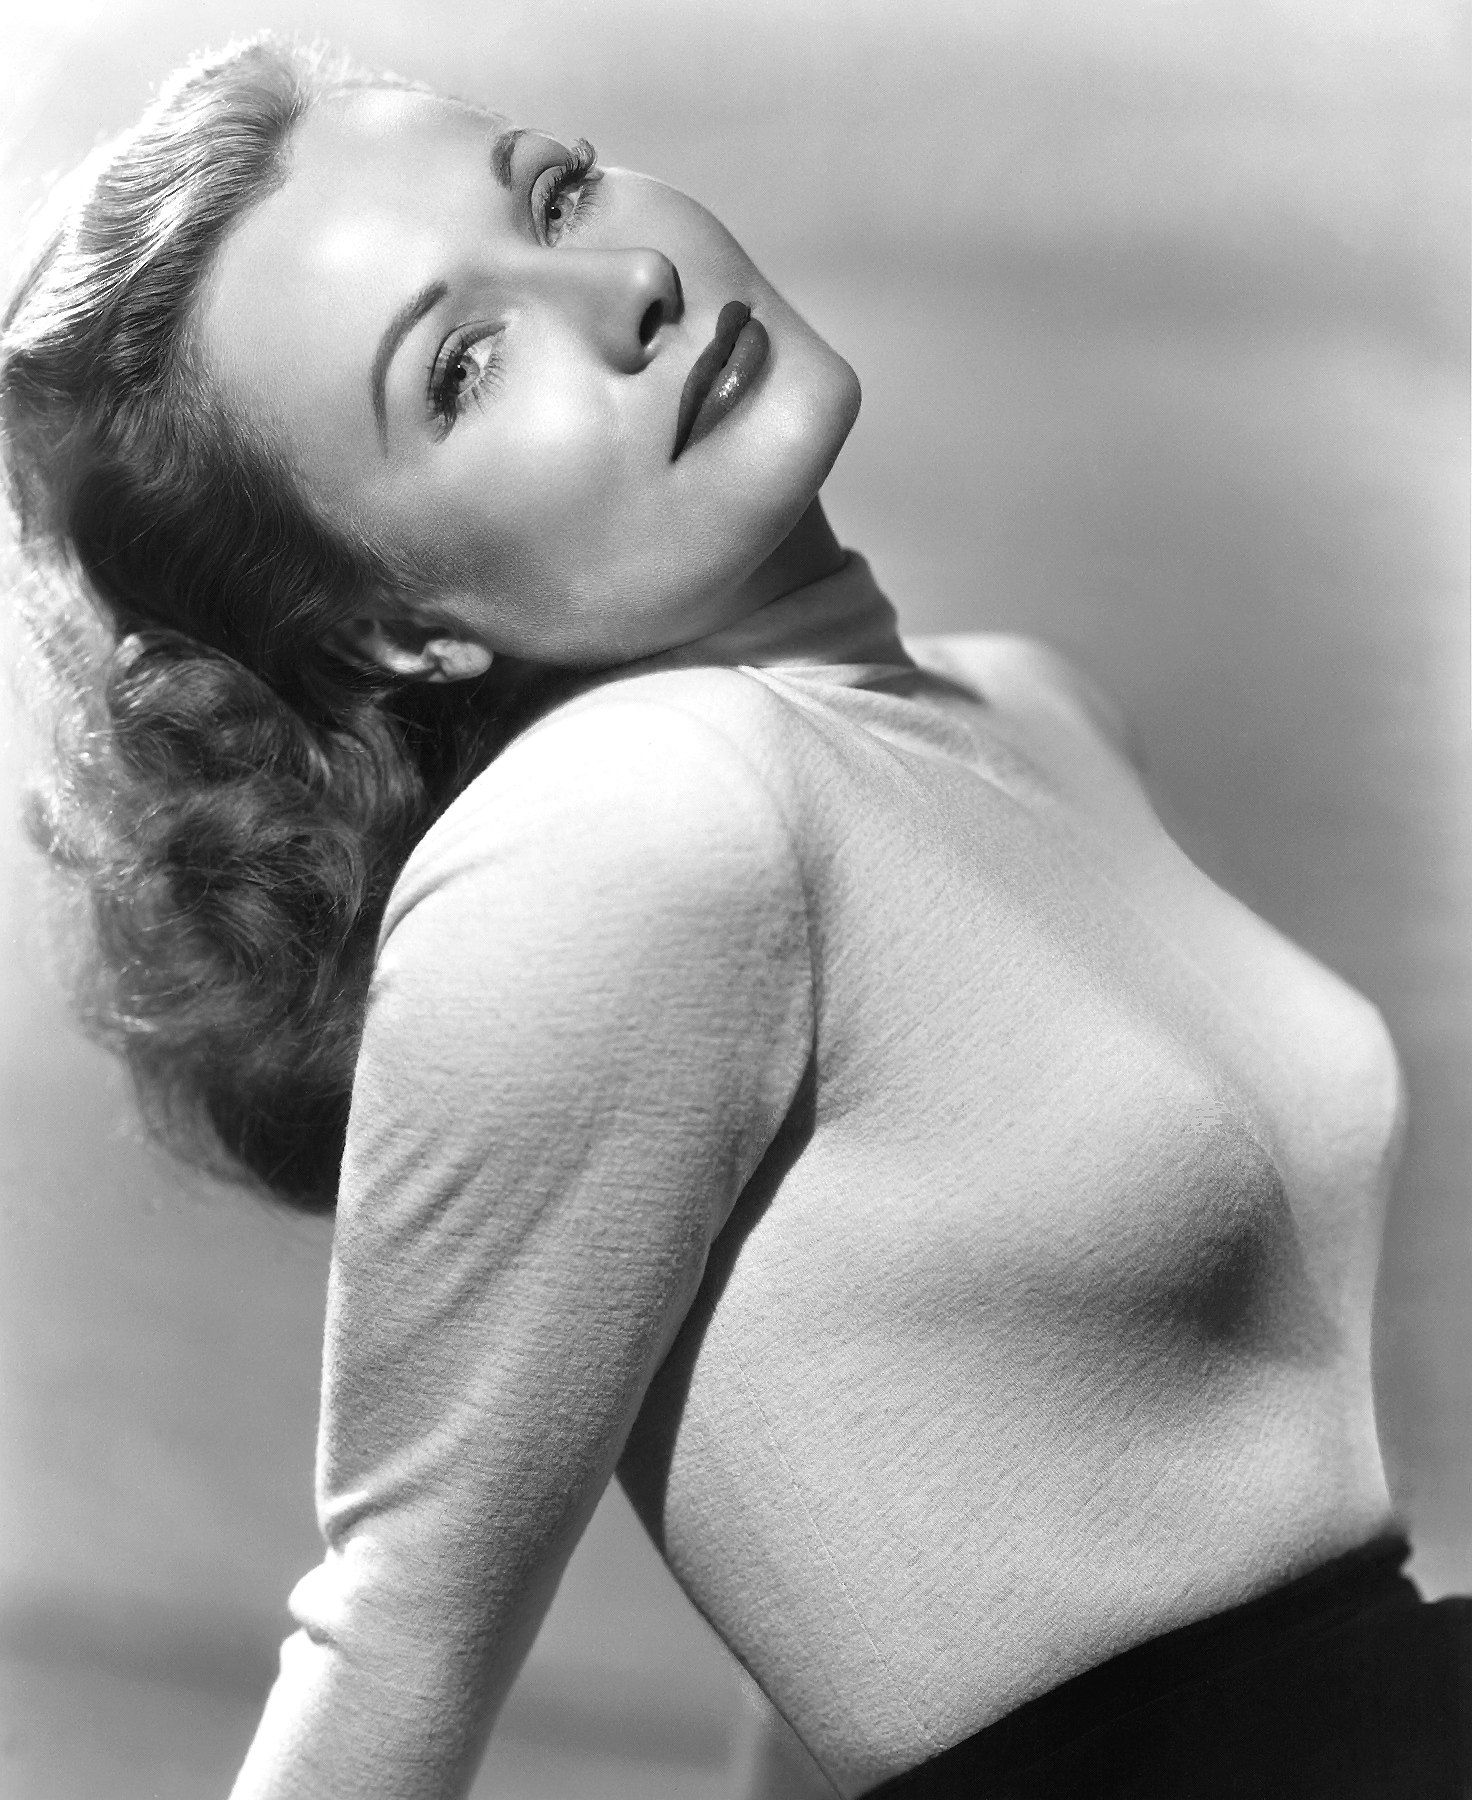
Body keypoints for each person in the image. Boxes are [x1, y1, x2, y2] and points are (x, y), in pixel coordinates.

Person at [2, 34, 1467, 1800]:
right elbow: (394, 1639)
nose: (623, 286)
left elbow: (895, 1537)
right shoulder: (632, 819)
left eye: (555, 194)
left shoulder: (1033, 709)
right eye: (459, 366)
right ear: (393, 629)